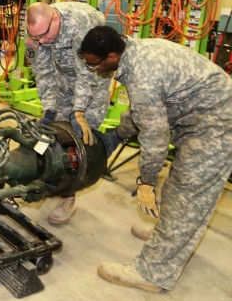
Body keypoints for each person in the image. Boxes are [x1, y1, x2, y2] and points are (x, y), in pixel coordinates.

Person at [79, 25, 232, 293]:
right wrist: (116, 136)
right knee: (178, 187)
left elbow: (155, 133)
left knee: (188, 193)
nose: (94, 70)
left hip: (217, 124)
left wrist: (146, 181)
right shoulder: (135, 52)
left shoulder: (142, 75)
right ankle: (169, 235)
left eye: (95, 65)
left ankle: (152, 272)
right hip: (201, 114)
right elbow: (146, 112)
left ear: (112, 57)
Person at [25, 1, 111, 225]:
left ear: (55, 18)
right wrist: (49, 107)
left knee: (82, 137)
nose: (42, 41)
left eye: (44, 35)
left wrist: (79, 112)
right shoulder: (38, 32)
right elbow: (42, 70)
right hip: (64, 79)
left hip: (93, 82)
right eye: (37, 38)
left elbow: (86, 74)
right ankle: (58, 183)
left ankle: (69, 194)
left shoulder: (82, 25)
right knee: (58, 134)